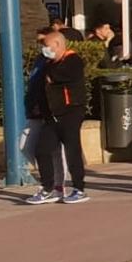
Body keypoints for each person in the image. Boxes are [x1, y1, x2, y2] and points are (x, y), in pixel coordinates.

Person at [24, 31, 88, 205]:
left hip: (71, 112)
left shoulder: (73, 60)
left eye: (47, 46)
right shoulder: (48, 63)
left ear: (58, 44)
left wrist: (50, 76)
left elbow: (58, 78)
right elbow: (43, 86)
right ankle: (48, 188)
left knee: (72, 150)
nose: (45, 49)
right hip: (52, 115)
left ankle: (79, 188)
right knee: (42, 150)